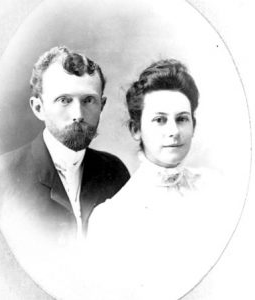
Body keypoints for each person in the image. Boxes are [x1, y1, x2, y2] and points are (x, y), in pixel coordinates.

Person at [88, 59, 238, 299]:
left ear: (193, 125)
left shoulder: (218, 189)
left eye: (182, 119)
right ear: (136, 129)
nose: (174, 131)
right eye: (159, 120)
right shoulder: (111, 218)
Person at [0, 46, 130, 258]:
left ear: (102, 105)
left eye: (88, 100)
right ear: (38, 108)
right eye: (64, 100)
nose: (78, 114)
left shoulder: (115, 171)